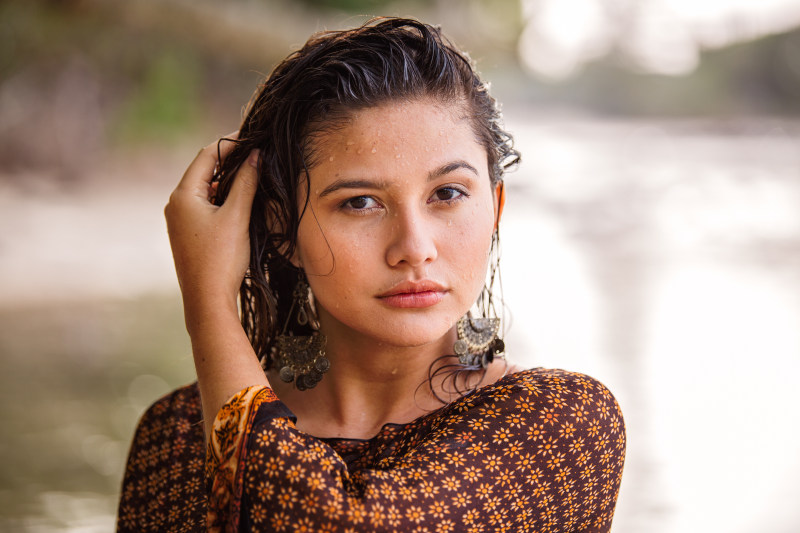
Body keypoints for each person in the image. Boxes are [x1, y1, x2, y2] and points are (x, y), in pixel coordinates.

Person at [117, 17, 625, 532]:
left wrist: (210, 306)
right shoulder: (178, 434)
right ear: (282, 229)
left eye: (447, 194)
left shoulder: (559, 424)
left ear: (494, 209)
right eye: (361, 202)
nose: (414, 248)